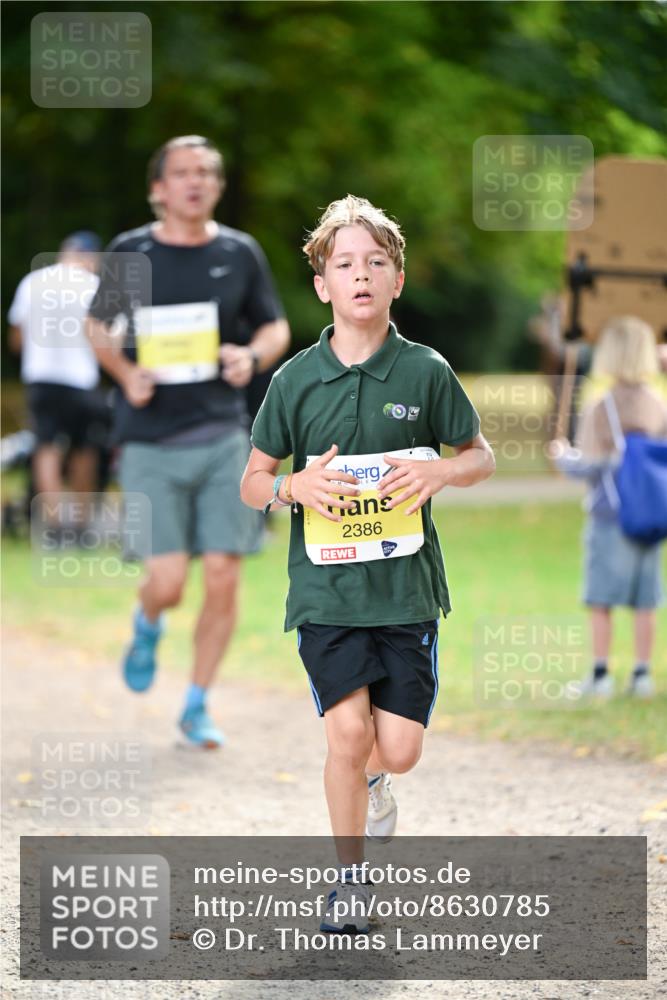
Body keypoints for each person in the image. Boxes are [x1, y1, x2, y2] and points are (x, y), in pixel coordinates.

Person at [240, 195, 494, 932]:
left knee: (399, 750)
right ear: (322, 284)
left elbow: (479, 455)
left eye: (375, 263)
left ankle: (380, 780)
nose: (360, 275)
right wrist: (294, 485)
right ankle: (348, 883)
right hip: (324, 592)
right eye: (343, 264)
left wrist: (442, 473)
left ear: (397, 280)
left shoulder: (425, 372)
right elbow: (252, 480)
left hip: (405, 591)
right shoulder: (293, 380)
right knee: (345, 737)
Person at [86, 135, 290, 748]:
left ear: (218, 186)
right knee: (170, 580)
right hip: (148, 440)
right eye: (182, 173)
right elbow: (98, 326)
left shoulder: (239, 251)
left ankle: (197, 703)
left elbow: (275, 325)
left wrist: (249, 355)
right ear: (159, 189)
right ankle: (148, 621)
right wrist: (126, 374)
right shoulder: (132, 251)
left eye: (206, 172)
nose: (195, 181)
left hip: (224, 434)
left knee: (224, 573)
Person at [549, 316, 667, 699]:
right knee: (644, 598)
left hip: (608, 515)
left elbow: (589, 465)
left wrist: (562, 456)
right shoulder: (658, 403)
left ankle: (600, 675)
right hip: (650, 513)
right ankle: (642, 674)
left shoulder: (602, 406)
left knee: (601, 597)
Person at [8, 232, 107, 526]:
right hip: (82, 380)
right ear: (91, 258)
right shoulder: (96, 287)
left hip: (40, 378)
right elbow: (108, 340)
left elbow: (17, 338)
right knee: (84, 449)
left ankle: (53, 527)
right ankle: (80, 524)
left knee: (46, 447)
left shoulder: (33, 282)